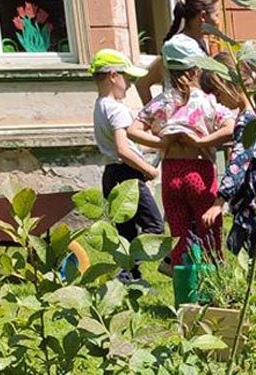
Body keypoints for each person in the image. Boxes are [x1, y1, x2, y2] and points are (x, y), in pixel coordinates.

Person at [128, 35, 236, 268]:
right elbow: (230, 127)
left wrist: (162, 143)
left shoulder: (161, 103)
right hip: (200, 172)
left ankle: (185, 297)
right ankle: (212, 293)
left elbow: (132, 130)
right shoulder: (207, 102)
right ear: (197, 68)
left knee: (179, 239)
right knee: (210, 237)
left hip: (171, 174)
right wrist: (202, 141)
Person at [89, 49, 163, 282]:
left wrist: (152, 148)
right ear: (113, 75)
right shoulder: (117, 108)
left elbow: (122, 146)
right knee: (155, 227)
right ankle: (125, 272)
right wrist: (147, 169)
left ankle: (132, 278)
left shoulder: (100, 105)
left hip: (111, 173)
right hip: (127, 175)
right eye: (128, 78)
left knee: (126, 231)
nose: (130, 84)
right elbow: (123, 148)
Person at [202, 53, 256, 256]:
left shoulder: (247, 121)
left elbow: (239, 161)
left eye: (216, 91)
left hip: (255, 201)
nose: (217, 98)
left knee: (252, 254)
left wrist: (219, 201)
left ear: (228, 83)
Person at [135, 0, 221, 105]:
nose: (218, 21)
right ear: (202, 16)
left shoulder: (199, 43)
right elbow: (142, 84)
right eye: (217, 15)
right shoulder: (179, 48)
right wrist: (155, 116)